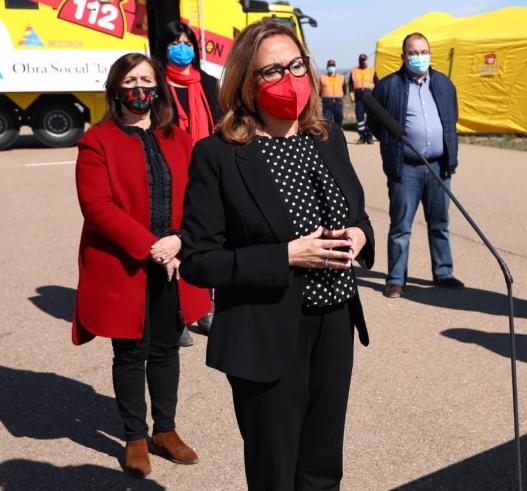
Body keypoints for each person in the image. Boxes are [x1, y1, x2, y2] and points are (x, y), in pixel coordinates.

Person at [179, 19, 374, 489]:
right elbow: (198, 260)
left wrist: (360, 238)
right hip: (266, 330)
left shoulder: (327, 140)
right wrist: (286, 255)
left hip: (334, 322)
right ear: (247, 81)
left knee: (323, 466)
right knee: (275, 470)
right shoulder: (219, 155)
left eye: (295, 65)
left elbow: (361, 218)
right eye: (272, 71)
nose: (289, 78)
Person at [72, 52, 211, 477]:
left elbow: (199, 198)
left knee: (168, 349)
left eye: (147, 80)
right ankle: (135, 436)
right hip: (126, 263)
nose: (140, 89)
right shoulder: (98, 139)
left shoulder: (177, 136)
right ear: (116, 88)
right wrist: (152, 246)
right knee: (131, 353)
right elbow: (97, 206)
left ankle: (165, 431)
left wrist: (179, 242)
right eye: (131, 80)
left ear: (158, 88)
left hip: (173, 259)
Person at [369, 32, 463, 298]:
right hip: (405, 168)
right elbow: (377, 122)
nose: (419, 57)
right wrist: (392, 144)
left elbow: (450, 119)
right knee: (400, 226)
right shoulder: (389, 86)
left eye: (423, 52)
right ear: (403, 56)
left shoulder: (444, 85)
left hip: (438, 167)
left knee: (440, 223)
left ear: (431, 54)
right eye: (413, 52)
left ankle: (443, 273)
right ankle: (396, 279)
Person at [153, 20, 222, 343]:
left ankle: (204, 309)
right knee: (173, 241)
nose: (182, 48)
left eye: (187, 42)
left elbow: (221, 125)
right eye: (174, 43)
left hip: (206, 173)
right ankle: (175, 313)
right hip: (169, 174)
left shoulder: (207, 83)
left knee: (205, 240)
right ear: (163, 48)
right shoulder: (156, 86)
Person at [349, 53, 377, 144]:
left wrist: (376, 96)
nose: (363, 61)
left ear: (367, 60)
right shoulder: (354, 71)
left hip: (370, 97)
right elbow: (350, 84)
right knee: (360, 117)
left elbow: (377, 84)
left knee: (370, 117)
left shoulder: (372, 71)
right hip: (359, 98)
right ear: (359, 61)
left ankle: (369, 136)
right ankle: (362, 136)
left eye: (364, 60)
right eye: (361, 60)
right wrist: (351, 94)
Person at [321, 59, 346, 125]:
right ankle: (328, 134)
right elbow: (319, 90)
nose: (331, 67)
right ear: (327, 67)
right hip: (327, 102)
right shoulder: (322, 78)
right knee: (327, 121)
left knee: (339, 119)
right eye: (329, 66)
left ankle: (338, 133)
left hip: (338, 102)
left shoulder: (341, 77)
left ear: (335, 67)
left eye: (332, 66)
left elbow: (344, 89)